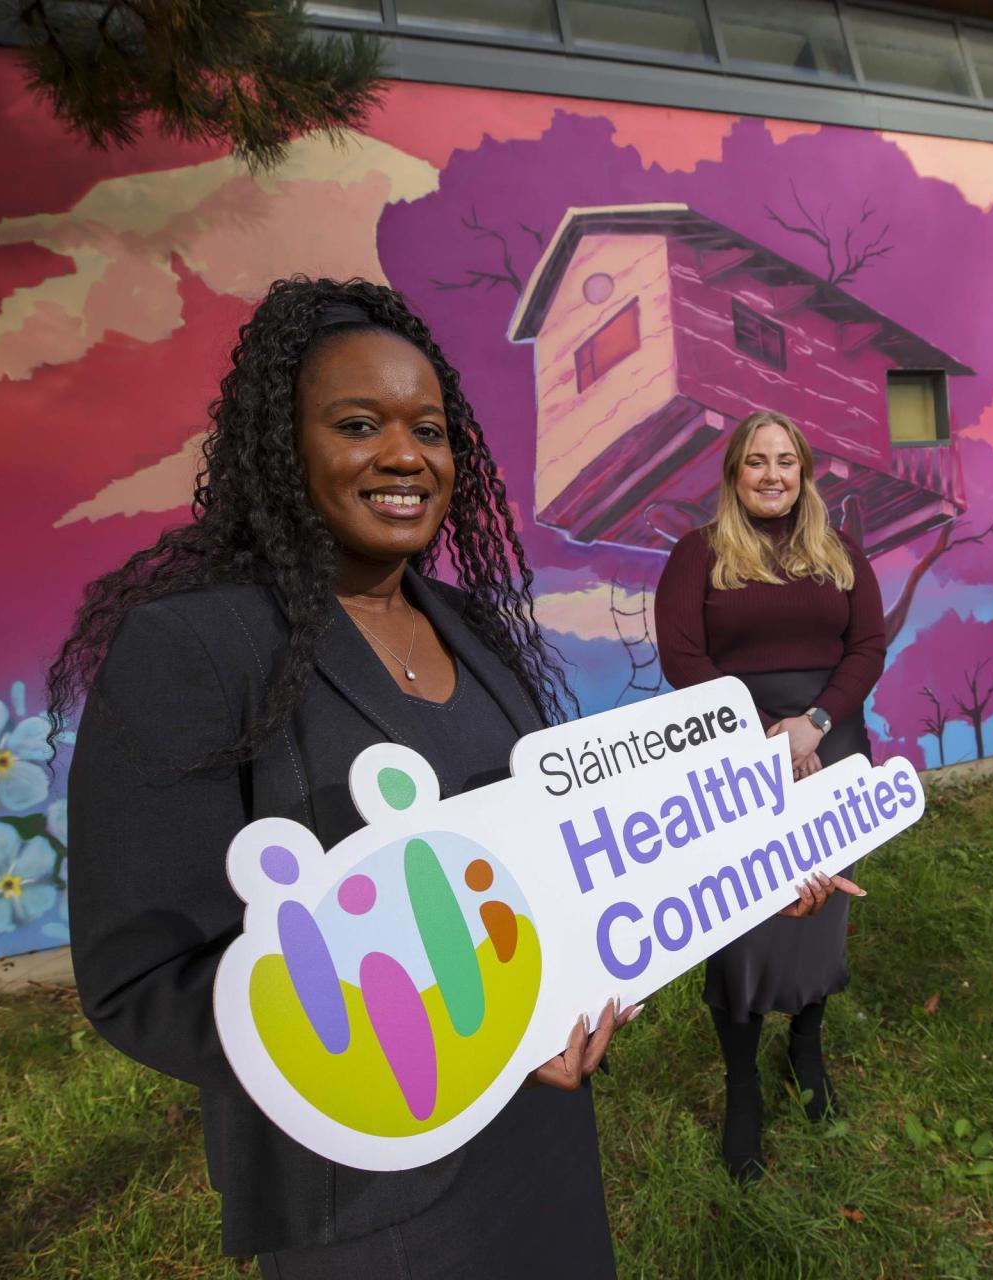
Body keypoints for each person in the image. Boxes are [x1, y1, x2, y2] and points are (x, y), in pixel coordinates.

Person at [52, 278, 631, 1278]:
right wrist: (452, 1045)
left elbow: (547, 863)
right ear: (283, 449)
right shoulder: (196, 647)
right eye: (360, 424)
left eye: (431, 429)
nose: (407, 456)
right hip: (371, 1194)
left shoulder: (476, 632)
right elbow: (141, 975)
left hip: (541, 1130)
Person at [654, 409, 883, 1182]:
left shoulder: (840, 551)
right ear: (733, 473)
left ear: (805, 469)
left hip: (830, 743)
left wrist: (814, 725)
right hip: (734, 750)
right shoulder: (699, 555)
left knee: (822, 906)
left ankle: (808, 1047)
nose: (773, 475)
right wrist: (761, 734)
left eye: (787, 460)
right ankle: (743, 1081)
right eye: (757, 462)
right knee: (745, 915)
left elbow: (868, 644)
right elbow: (681, 653)